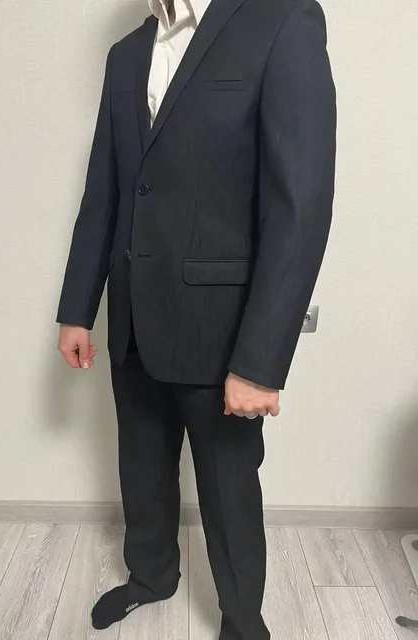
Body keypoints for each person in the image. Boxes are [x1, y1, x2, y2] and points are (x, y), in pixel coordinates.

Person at [56, 0, 336, 636]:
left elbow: (300, 205)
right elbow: (106, 189)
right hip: (132, 313)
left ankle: (242, 618)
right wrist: (78, 308)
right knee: (142, 465)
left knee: (228, 484)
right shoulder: (126, 54)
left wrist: (262, 362)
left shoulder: (281, 21)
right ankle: (150, 576)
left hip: (221, 327)